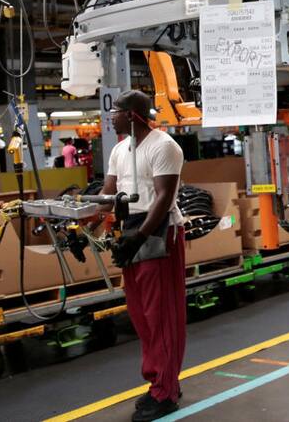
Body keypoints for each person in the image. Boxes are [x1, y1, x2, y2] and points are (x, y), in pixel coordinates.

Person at [101, 90, 186, 421]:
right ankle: (157, 382)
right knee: (140, 315)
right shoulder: (120, 149)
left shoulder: (163, 146)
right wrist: (79, 222)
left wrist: (140, 238)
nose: (112, 116)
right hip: (130, 233)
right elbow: (108, 194)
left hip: (157, 232)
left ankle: (166, 392)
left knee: (161, 316)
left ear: (134, 115)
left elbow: (164, 198)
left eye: (117, 111)